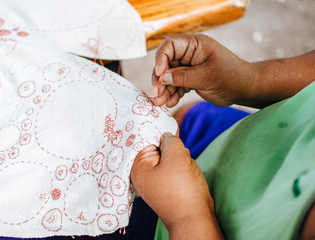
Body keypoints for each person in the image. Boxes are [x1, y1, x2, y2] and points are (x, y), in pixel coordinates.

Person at [130, 34, 315, 240]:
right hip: (268, 136)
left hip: (182, 223)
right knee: (190, 115)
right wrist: (251, 80)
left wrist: (187, 214)